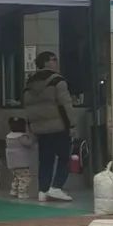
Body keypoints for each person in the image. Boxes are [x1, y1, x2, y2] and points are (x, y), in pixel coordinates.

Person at [23, 51, 75, 202]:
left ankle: (43, 191)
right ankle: (57, 187)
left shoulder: (29, 83)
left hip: (40, 128)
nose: (56, 62)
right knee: (65, 157)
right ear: (45, 63)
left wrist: (31, 127)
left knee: (45, 160)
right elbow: (66, 105)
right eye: (53, 59)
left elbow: (27, 107)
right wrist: (72, 124)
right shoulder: (57, 81)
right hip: (59, 127)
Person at [5, 117, 36, 199]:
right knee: (25, 178)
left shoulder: (9, 136)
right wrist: (32, 137)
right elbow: (29, 143)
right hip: (21, 162)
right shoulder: (22, 137)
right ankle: (22, 193)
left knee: (17, 177)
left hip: (12, 162)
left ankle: (14, 191)